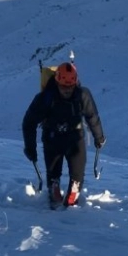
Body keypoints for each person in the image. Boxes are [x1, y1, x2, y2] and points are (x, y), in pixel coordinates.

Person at [22, 62, 106, 207]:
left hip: (73, 138)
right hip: (54, 138)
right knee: (54, 174)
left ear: (75, 83)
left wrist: (99, 137)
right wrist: (30, 147)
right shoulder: (46, 97)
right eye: (63, 86)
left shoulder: (81, 95)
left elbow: (92, 117)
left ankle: (69, 200)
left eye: (70, 86)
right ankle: (56, 199)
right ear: (57, 81)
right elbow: (29, 122)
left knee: (77, 176)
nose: (67, 90)